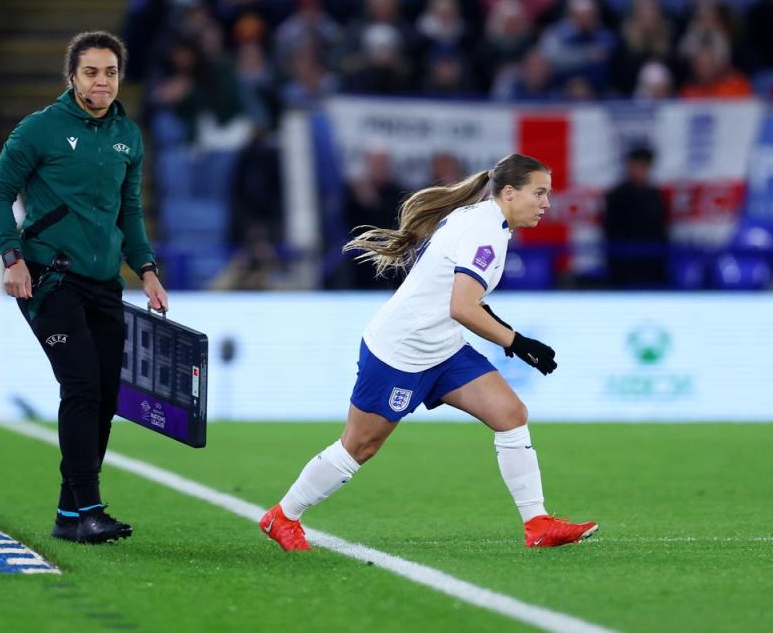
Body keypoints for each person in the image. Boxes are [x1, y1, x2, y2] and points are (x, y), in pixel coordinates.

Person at [260, 154, 598, 550]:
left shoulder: (485, 220)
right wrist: (516, 342)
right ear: (509, 192)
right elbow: (462, 307)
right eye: (539, 193)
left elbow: (453, 295)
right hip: (399, 352)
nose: (546, 204)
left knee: (510, 414)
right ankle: (282, 517)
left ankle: (537, 524)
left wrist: (508, 336)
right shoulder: (484, 231)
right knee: (360, 446)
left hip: (443, 348)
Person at [0, 31, 168, 544]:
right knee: (84, 386)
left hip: (105, 284)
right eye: (91, 72)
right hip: (47, 280)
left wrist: (147, 270)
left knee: (105, 395)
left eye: (110, 72)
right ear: (72, 76)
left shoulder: (128, 137)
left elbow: (128, 211)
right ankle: (89, 508)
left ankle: (70, 516)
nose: (101, 81)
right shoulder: (39, 130)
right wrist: (12, 257)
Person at [603, 144, 668, 288]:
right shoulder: (617, 195)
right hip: (624, 265)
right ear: (630, 166)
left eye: (645, 166)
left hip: (652, 264)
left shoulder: (654, 195)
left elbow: (661, 229)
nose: (641, 170)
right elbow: (610, 229)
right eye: (638, 165)